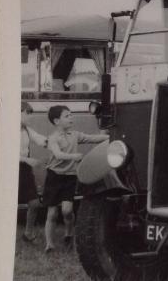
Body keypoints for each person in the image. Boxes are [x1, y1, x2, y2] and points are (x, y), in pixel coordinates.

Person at [42, 105, 107, 252]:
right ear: (57, 121)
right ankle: (49, 244)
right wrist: (74, 156)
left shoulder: (75, 135)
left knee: (67, 210)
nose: (71, 118)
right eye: (67, 116)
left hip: (70, 176)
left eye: (71, 115)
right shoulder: (53, 139)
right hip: (54, 177)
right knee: (52, 213)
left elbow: (93, 138)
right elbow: (58, 155)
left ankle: (69, 234)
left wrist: (109, 137)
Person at [19, 102, 48, 242]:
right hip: (10, 171)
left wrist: (55, 143)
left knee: (35, 203)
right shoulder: (6, 130)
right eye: (27, 114)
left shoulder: (27, 130)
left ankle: (28, 233)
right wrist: (26, 160)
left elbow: (41, 140)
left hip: (24, 171)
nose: (30, 118)